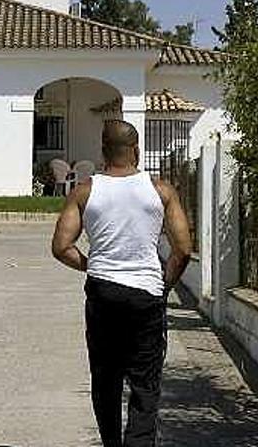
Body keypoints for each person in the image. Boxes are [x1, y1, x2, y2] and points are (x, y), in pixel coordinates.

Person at [51, 120, 192, 447]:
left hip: (103, 294)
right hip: (146, 294)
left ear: (103, 151)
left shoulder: (84, 191)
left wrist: (94, 266)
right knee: (145, 383)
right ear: (137, 150)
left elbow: (61, 247)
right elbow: (183, 250)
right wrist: (163, 284)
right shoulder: (161, 191)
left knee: (105, 380)